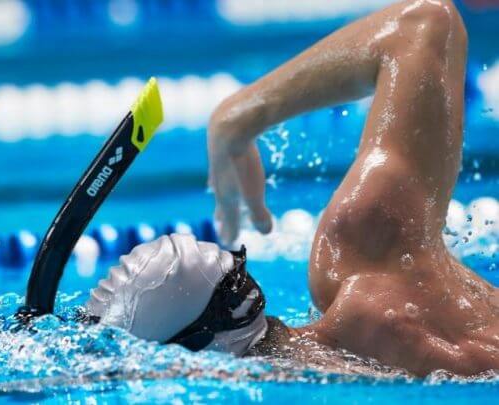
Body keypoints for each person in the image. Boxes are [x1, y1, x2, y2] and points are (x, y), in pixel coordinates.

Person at [87, 0, 499, 376]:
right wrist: (239, 116)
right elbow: (423, 26)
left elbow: (427, 21)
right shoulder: (358, 260)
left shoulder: (371, 260)